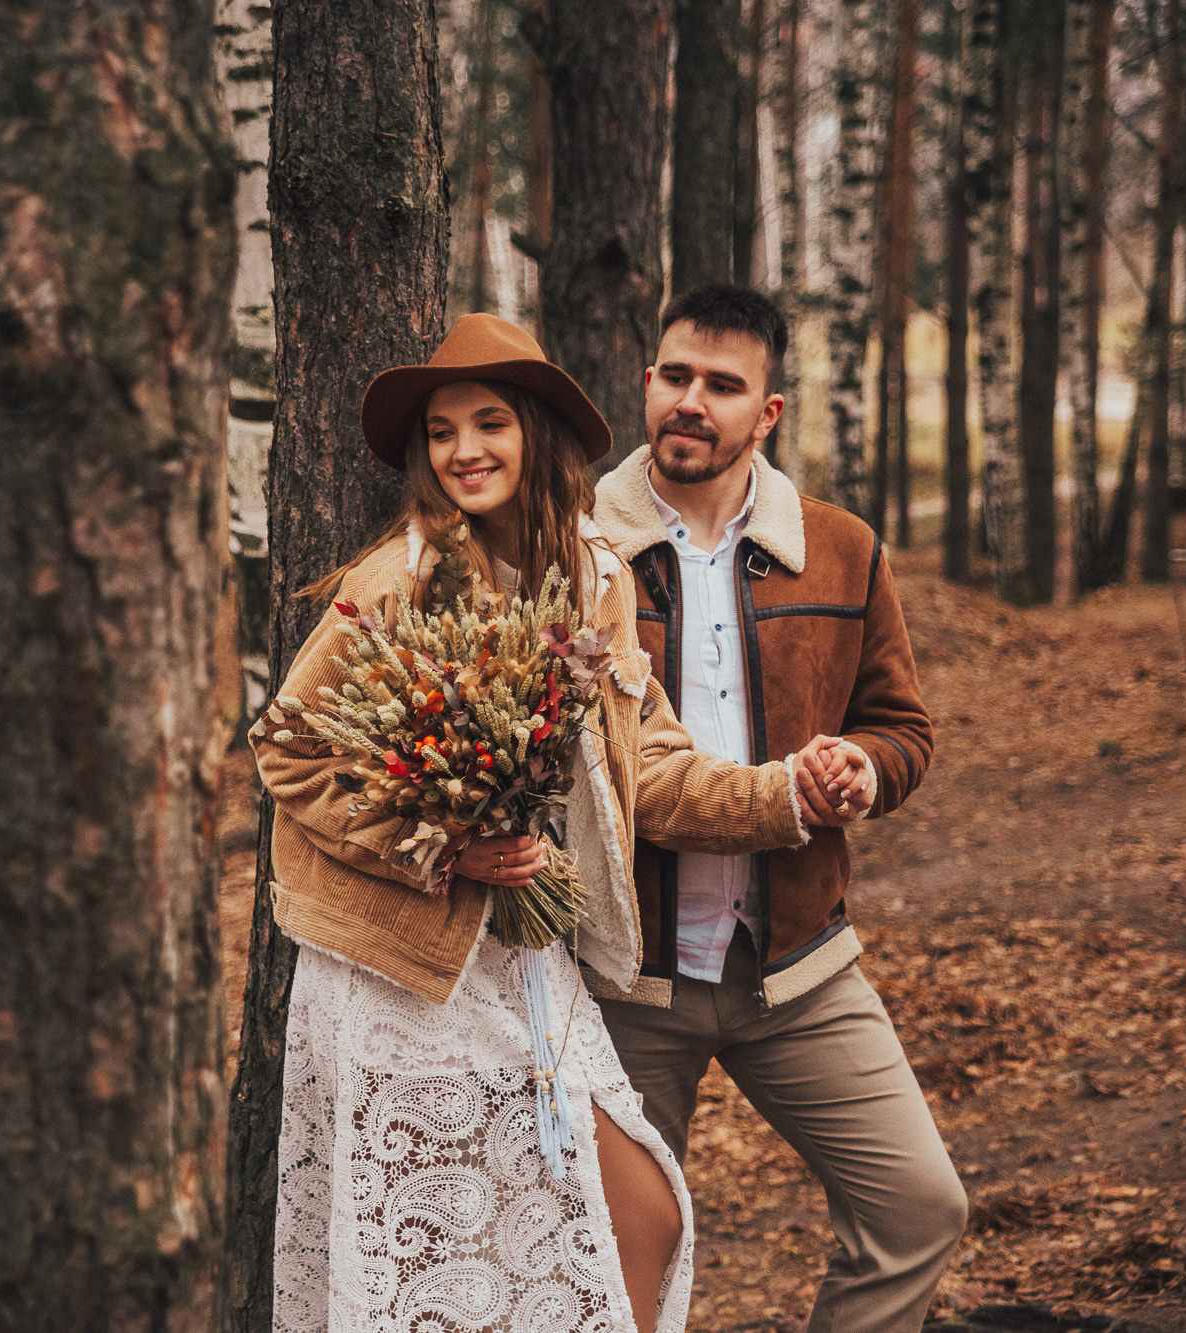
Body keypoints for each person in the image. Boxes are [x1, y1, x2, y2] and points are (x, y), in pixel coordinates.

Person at [249, 313, 858, 1333]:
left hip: (530, 958)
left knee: (641, 1216)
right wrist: (441, 847)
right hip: (402, 966)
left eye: (489, 423)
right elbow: (286, 747)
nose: (464, 450)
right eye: (441, 431)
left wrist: (782, 794)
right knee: (446, 1274)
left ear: (534, 432)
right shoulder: (395, 580)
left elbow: (644, 763)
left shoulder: (592, 578)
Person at [589, 284, 967, 1333]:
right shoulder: (578, 549)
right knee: (608, 1267)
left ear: (767, 413)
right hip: (622, 978)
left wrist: (867, 769)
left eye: (721, 385)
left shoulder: (841, 547)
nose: (689, 401)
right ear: (646, 381)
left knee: (917, 1209)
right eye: (675, 376)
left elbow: (902, 725)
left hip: (795, 964)